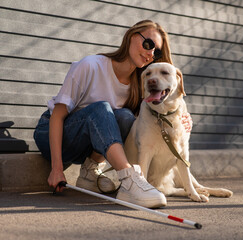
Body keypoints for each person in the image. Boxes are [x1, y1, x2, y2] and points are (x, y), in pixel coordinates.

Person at [33, 20, 192, 209]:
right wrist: (56, 169)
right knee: (101, 108)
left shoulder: (140, 85)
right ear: (132, 36)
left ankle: (89, 174)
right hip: (53, 135)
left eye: (156, 52)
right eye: (148, 44)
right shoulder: (90, 66)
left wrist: (182, 117)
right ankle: (130, 181)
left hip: (86, 145)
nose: (150, 54)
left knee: (125, 118)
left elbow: (154, 114)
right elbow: (57, 117)